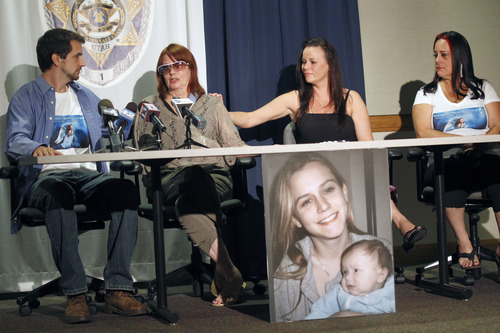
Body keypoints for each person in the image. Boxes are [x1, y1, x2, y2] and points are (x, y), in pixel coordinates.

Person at [227, 37, 426, 252]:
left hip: (351, 171)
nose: (305, 67)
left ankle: (402, 224)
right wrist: (219, 110)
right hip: (314, 177)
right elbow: (248, 119)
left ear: (329, 64)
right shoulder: (295, 99)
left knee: (368, 170)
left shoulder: (351, 99)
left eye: (312, 62)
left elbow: (368, 145)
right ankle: (401, 224)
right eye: (303, 62)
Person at [4, 29, 147, 324]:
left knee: (125, 192)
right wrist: (37, 147)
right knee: (59, 195)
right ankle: (75, 293)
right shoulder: (27, 96)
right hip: (47, 180)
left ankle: (117, 289)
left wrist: (131, 121)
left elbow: (110, 128)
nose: (83, 63)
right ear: (57, 59)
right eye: (78, 55)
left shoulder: (85, 96)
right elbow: (14, 141)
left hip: (88, 178)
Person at [133, 43, 247, 307]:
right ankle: (229, 271)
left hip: (212, 177)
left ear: (191, 69)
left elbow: (235, 145)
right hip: (168, 180)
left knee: (189, 198)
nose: (172, 72)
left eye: (179, 65)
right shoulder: (149, 107)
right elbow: (144, 153)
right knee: (190, 176)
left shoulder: (211, 104)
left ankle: (224, 271)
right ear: (160, 74)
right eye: (165, 68)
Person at [412, 31, 500, 270]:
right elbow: (423, 132)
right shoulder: (426, 94)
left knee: (496, 168)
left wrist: (476, 147)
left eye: (444, 55)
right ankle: (464, 244)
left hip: (481, 159)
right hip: (444, 161)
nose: (437, 60)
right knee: (453, 169)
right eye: (435, 55)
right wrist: (464, 143)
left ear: (461, 58)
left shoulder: (483, 89)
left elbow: (497, 125)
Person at [270, 152, 393, 322]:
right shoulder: (284, 275)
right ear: (295, 219)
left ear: (344, 192)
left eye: (327, 190)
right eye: (306, 201)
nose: (323, 206)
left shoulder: (384, 252)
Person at [305, 239, 395, 320]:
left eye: (356, 270)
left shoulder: (391, 292)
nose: (347, 277)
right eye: (345, 272)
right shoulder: (339, 294)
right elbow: (319, 312)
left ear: (380, 275)